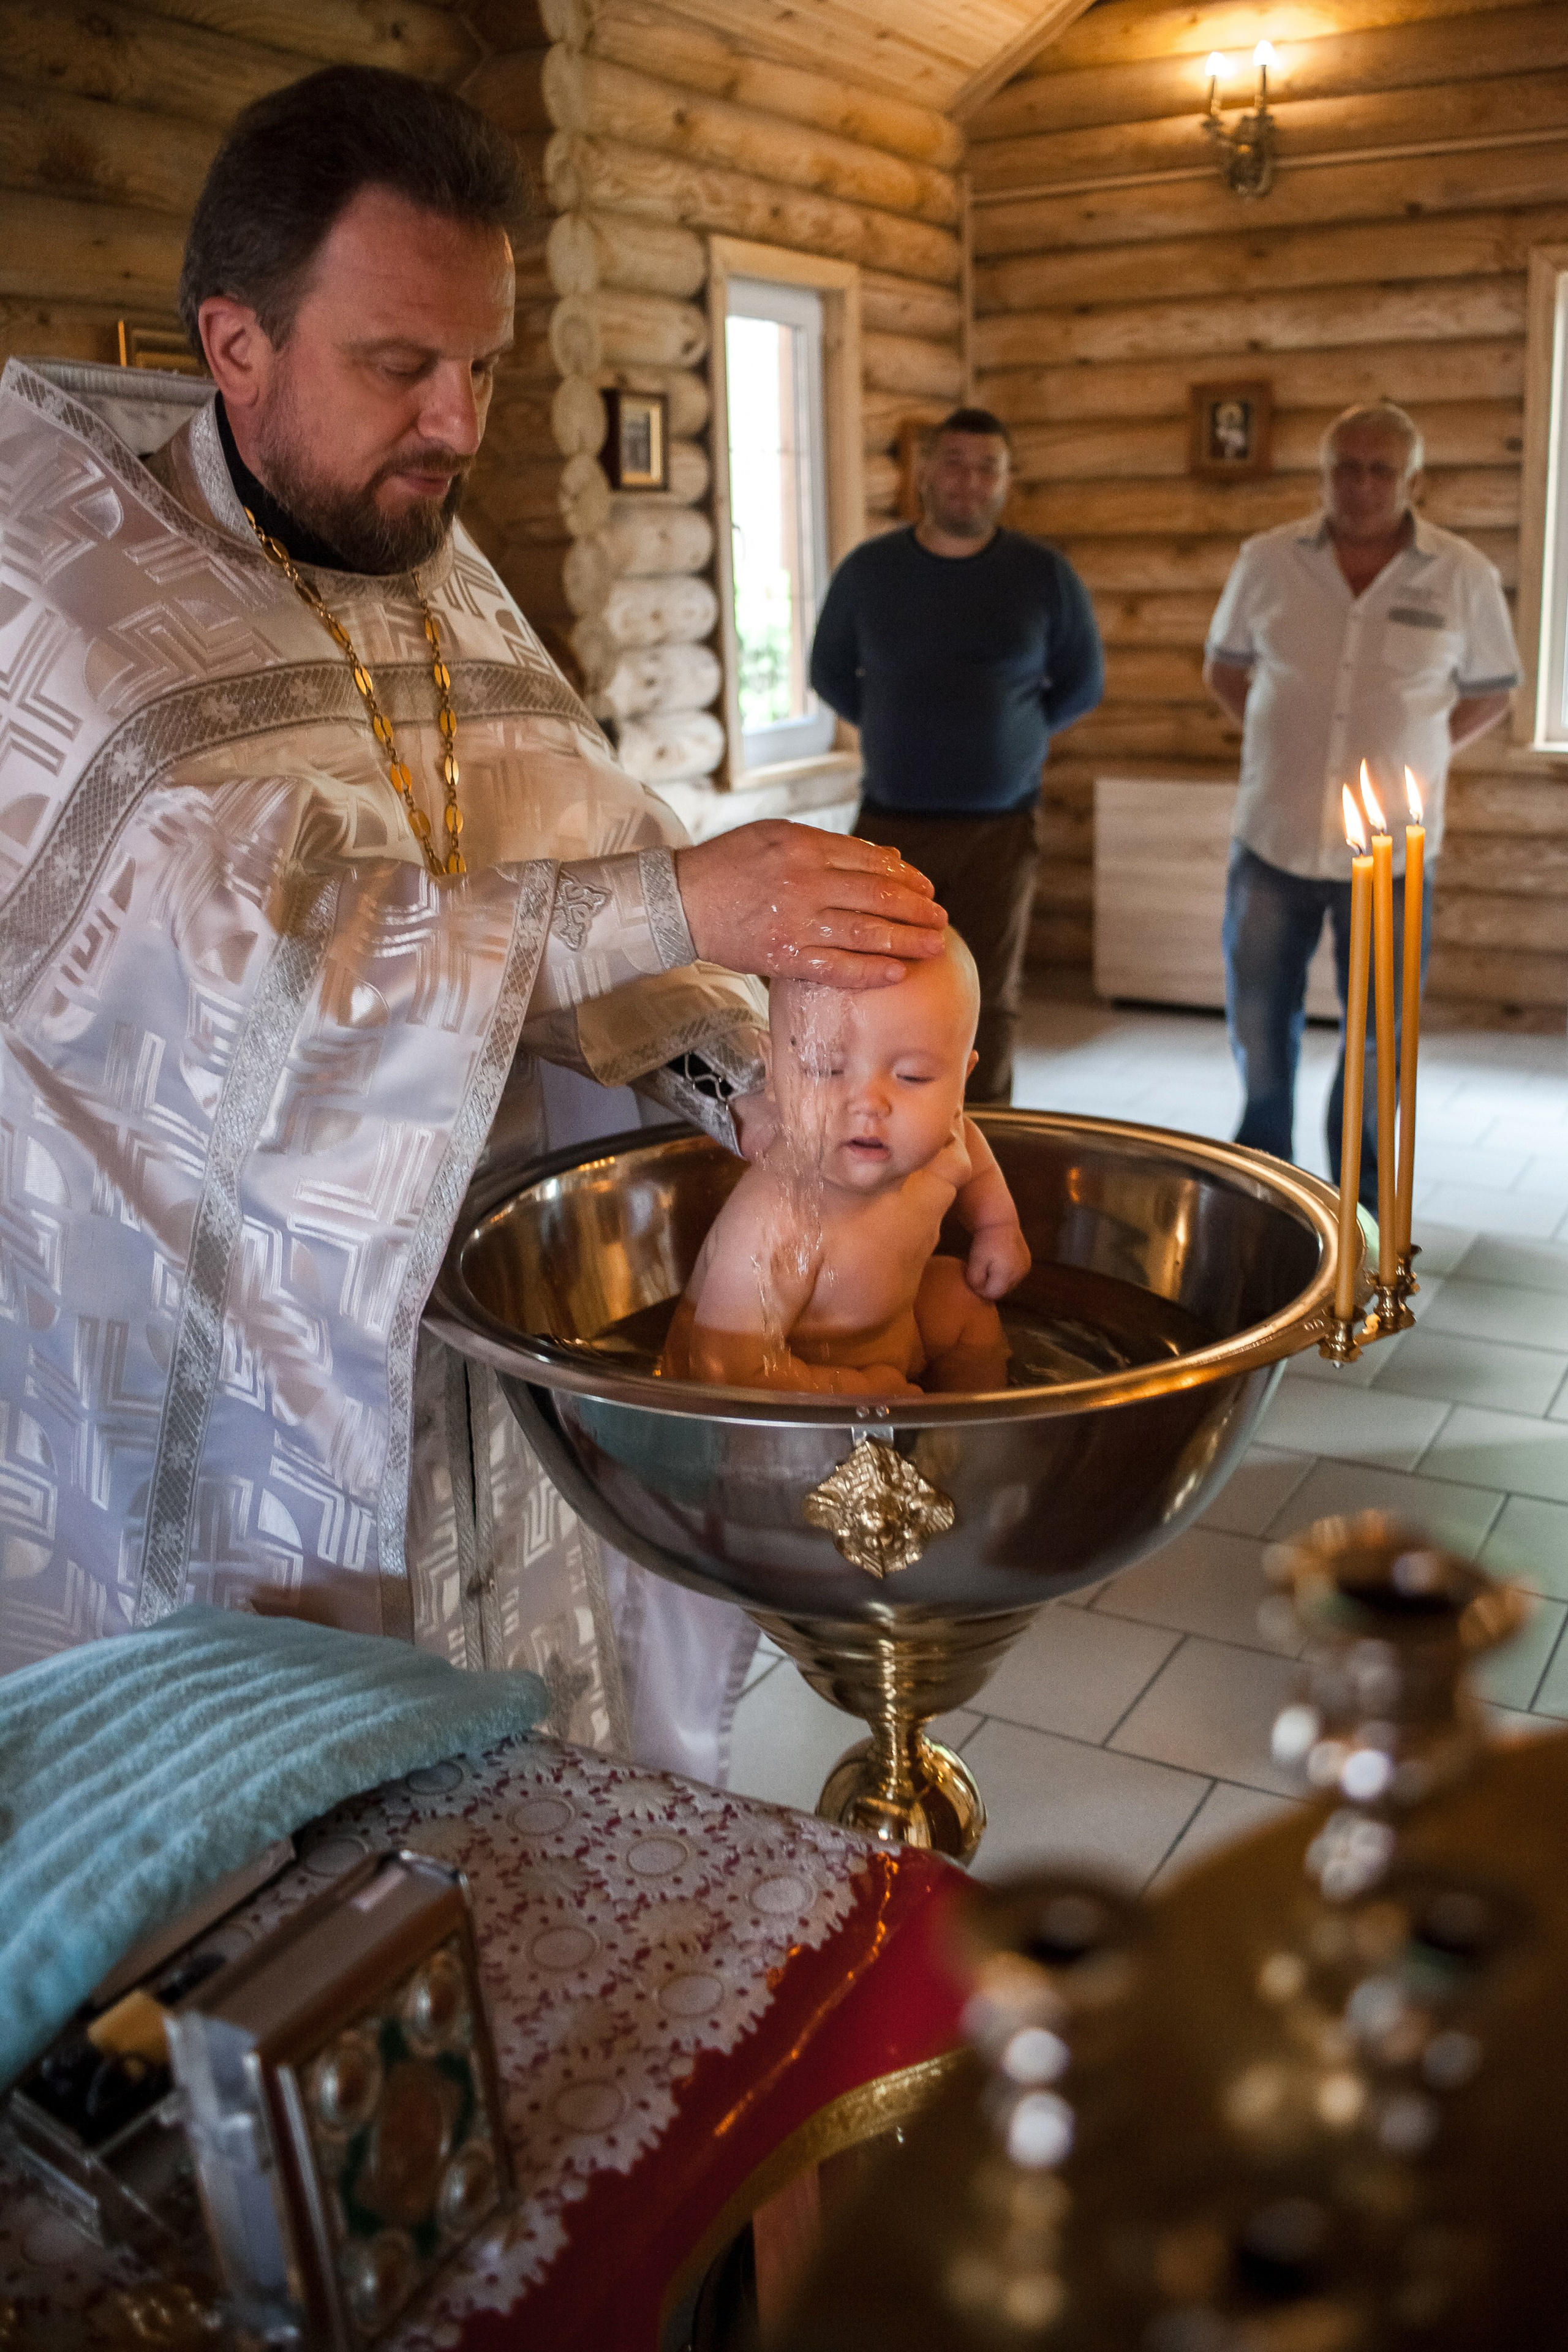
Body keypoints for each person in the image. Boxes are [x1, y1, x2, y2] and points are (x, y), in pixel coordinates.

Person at [0, 66, 950, 1783]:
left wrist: (816, 1106)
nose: (460, 422)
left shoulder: (439, 565)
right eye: (400, 367)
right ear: (236, 346)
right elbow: (230, 966)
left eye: (487, 366)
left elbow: (592, 841)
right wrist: (674, 898)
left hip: (502, 1357)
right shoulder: (78, 593)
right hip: (259, 1395)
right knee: (322, 1899)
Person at [1204, 401, 1518, 1204]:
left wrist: (1426, 747)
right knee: (1258, 1027)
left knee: (1378, 1039)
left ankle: (1362, 1198)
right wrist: (1281, 742)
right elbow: (1226, 669)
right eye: (1347, 465)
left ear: (1414, 479)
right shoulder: (1268, 560)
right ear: (1325, 473)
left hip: (1395, 853)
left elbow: (1493, 690)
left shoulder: (1462, 574)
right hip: (1273, 839)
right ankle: (1263, 1185)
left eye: (1382, 469)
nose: (1364, 483)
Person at [808, 407, 1104, 1106]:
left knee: (988, 999)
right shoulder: (870, 572)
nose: (968, 481)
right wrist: (897, 724)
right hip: (891, 825)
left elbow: (1080, 686)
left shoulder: (1042, 575)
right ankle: (883, 1128)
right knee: (881, 985)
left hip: (998, 832)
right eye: (954, 463)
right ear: (925, 473)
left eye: (986, 467)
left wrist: (1012, 736)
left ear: (1005, 481)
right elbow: (829, 675)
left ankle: (988, 1139)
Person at [662, 934, 1031, 1397]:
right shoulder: (779, 1220)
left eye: (912, 1076)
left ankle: (975, 1433)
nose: (867, 1104)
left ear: (960, 1087)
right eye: (828, 1069)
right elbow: (722, 1370)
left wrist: (998, 1227)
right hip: (783, 1385)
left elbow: (974, 1163)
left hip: (897, 1338)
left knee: (962, 1302)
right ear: (774, 1075)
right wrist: (858, 1392)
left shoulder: (945, 1143)